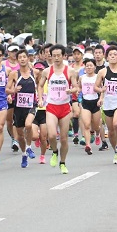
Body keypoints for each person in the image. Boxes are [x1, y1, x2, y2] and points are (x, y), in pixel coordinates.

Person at [37, 44, 79, 174]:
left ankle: (63, 162)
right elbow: (40, 85)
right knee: (52, 134)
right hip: (51, 106)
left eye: (58, 55)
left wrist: (71, 90)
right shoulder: (47, 71)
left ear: (64, 56)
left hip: (65, 107)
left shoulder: (70, 71)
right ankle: (55, 151)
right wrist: (40, 98)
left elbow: (77, 88)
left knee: (64, 138)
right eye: (53, 55)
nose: (56, 58)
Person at [6, 49, 37, 168]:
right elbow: (7, 89)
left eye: (24, 57)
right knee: (19, 135)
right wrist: (13, 91)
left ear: (28, 58)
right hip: (18, 107)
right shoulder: (14, 74)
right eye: (20, 57)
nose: (23, 59)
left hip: (31, 105)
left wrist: (39, 97)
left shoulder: (35, 73)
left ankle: (29, 147)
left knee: (28, 125)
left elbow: (40, 86)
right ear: (17, 60)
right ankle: (24, 154)